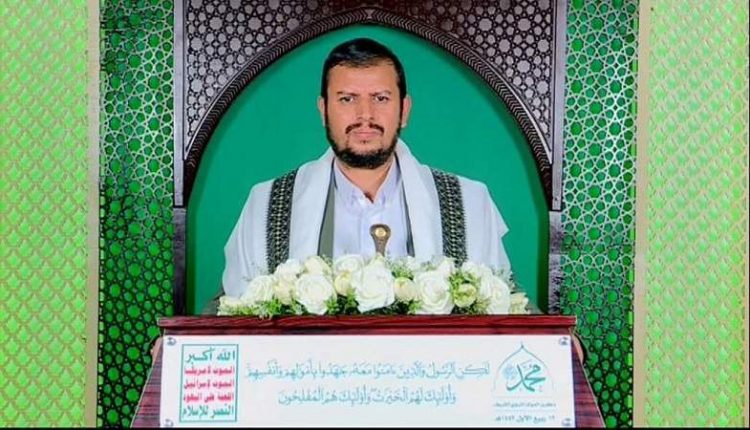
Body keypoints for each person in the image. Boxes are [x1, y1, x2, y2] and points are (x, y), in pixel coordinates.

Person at [216, 37, 512, 308]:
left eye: (380, 98)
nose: (365, 115)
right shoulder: (268, 204)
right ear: (323, 110)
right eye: (347, 99)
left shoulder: (468, 204)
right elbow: (235, 316)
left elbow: (501, 319)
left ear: (404, 110)